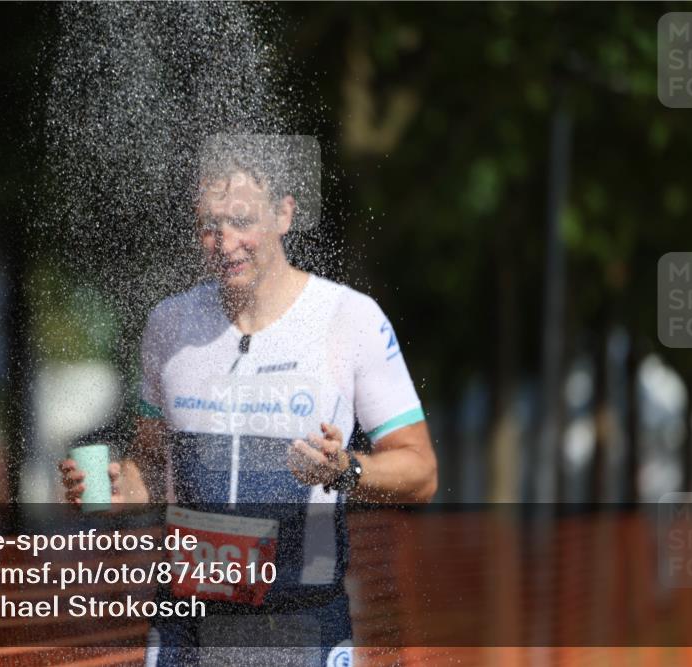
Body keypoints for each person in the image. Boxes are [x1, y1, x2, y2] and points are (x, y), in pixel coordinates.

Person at [61, 135, 437, 666]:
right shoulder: (169, 325)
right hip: (185, 628)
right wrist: (119, 489)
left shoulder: (349, 319)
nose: (225, 241)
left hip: (301, 624)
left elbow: (421, 472)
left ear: (284, 214)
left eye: (241, 221)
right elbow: (151, 462)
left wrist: (345, 470)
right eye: (209, 226)